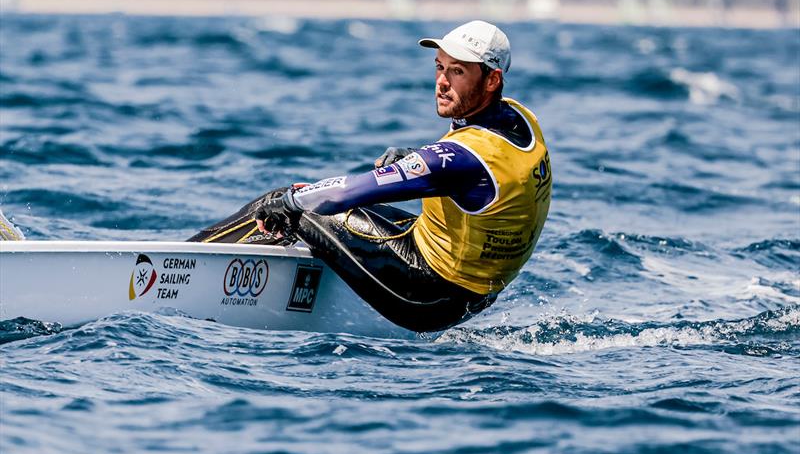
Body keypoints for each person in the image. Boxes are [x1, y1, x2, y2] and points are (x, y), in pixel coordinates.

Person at [189, 20, 551, 333]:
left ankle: (186, 268)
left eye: (457, 72)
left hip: (428, 294)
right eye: (439, 67)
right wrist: (417, 160)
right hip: (474, 292)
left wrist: (289, 204)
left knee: (291, 201)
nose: (441, 82)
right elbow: (478, 174)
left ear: (492, 80)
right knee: (313, 206)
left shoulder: (462, 159)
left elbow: (351, 191)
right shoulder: (521, 121)